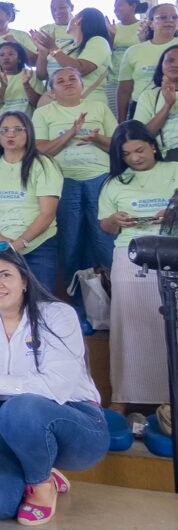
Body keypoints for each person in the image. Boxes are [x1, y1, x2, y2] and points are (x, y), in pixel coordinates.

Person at [0, 244, 109, 524]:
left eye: (5, 275)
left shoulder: (56, 315)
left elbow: (58, 387)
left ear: (24, 280)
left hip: (76, 422)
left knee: (20, 408)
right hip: (9, 425)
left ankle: (41, 484)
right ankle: (38, 466)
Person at [99, 122, 178, 410]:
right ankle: (124, 397)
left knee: (171, 325)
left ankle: (171, 397)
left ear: (153, 146)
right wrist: (115, 221)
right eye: (127, 154)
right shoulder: (114, 182)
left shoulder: (174, 170)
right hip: (130, 253)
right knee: (127, 326)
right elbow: (105, 227)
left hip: (172, 251)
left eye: (140, 150)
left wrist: (172, 213)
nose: (135, 158)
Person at [33, 67, 116, 325]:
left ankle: (114, 307)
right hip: (63, 181)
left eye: (72, 78)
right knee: (70, 245)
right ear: (51, 90)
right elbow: (40, 150)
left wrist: (95, 137)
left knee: (104, 242)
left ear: (82, 84)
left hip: (100, 179)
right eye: (60, 80)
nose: (67, 83)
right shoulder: (43, 113)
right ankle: (79, 309)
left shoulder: (99, 107)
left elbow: (117, 144)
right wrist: (71, 132)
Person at [0, 112, 63, 290]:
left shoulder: (43, 164)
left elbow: (47, 213)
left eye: (18, 129)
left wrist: (20, 242)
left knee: (40, 304)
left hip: (37, 246)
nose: (10, 134)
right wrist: (1, 242)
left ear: (29, 133)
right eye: (4, 130)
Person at [33, 8, 112, 107]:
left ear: (79, 21)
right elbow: (42, 75)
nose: (71, 18)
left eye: (74, 16)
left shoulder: (98, 41)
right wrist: (43, 51)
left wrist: (53, 48)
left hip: (86, 105)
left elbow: (80, 69)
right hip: (58, 106)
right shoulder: (67, 45)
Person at [117, 4, 178, 122]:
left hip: (174, 105)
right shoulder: (134, 51)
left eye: (174, 17)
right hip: (140, 108)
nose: (170, 21)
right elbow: (124, 89)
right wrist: (122, 121)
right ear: (150, 23)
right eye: (163, 17)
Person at [134, 44, 178, 154]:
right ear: (161, 66)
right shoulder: (149, 96)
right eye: (170, 61)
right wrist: (167, 106)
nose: (175, 65)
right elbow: (141, 136)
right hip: (167, 155)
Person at [108, 0, 148, 112]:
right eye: (114, 7)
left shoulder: (144, 26)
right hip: (114, 80)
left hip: (138, 80)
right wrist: (111, 35)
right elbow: (105, 54)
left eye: (120, 6)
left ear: (133, 6)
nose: (116, 10)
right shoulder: (112, 27)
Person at [0, 42, 44, 118]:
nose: (6, 58)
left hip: (27, 123)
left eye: (10, 54)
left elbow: (38, 104)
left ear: (19, 59)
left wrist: (27, 86)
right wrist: (3, 87)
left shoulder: (31, 75)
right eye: (2, 55)